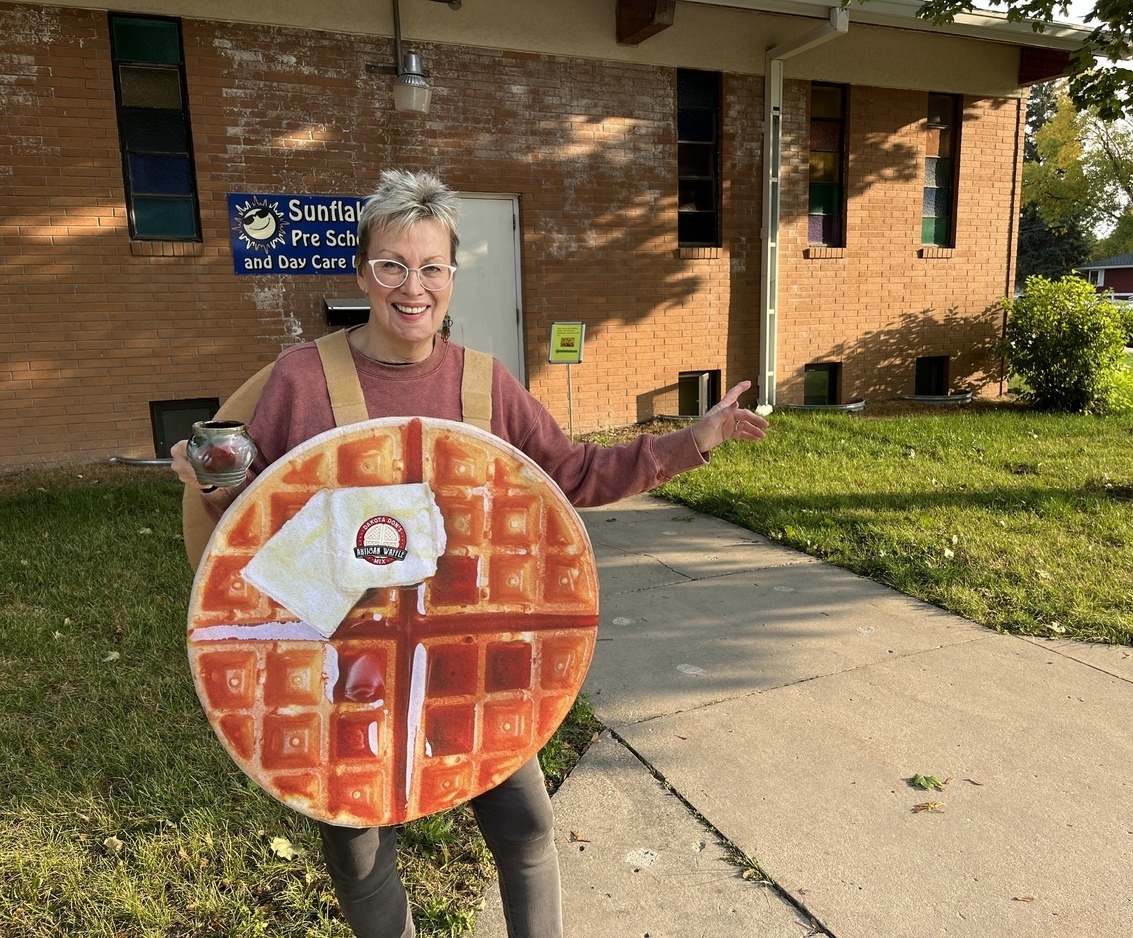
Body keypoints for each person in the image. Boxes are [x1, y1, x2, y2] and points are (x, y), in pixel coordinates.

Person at [171, 169, 768, 938]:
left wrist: (694, 441)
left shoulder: (485, 387)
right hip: (342, 662)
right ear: (363, 272)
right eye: (392, 265)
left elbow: (570, 475)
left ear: (451, 278)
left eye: (430, 267)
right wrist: (211, 484)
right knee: (356, 845)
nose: (410, 287)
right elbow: (255, 530)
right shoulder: (302, 379)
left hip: (471, 648)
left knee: (524, 828)